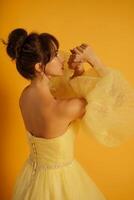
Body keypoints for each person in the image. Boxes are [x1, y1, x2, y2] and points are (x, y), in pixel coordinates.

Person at [3, 28, 134, 199]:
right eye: (55, 55)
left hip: (32, 178)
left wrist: (78, 70)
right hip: (61, 183)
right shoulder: (65, 108)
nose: (61, 58)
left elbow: (65, 92)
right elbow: (120, 101)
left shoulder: (25, 96)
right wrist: (94, 60)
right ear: (39, 67)